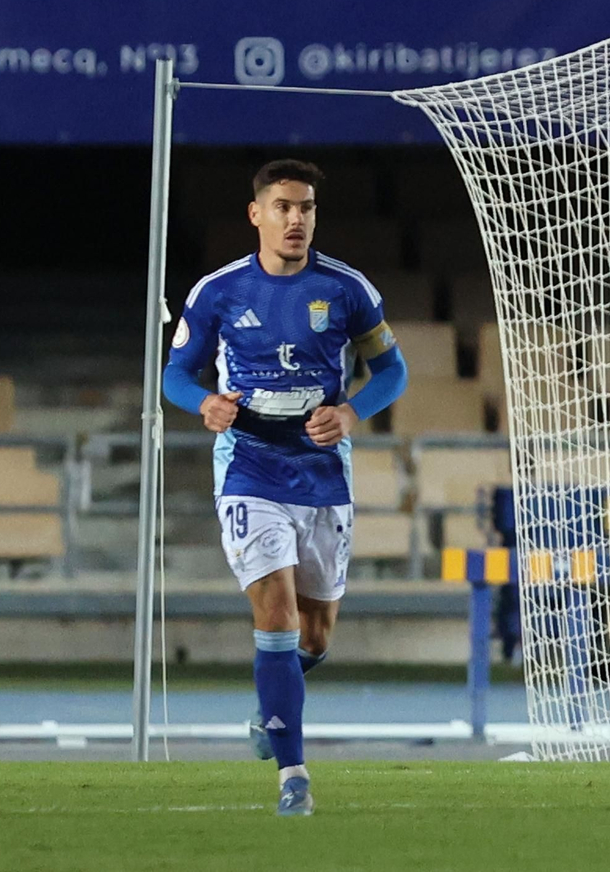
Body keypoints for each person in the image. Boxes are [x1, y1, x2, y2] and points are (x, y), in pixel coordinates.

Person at [162, 159, 409, 816]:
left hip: (323, 474)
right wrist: (202, 404)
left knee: (316, 637)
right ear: (257, 214)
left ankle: (274, 708)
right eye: (283, 207)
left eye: (306, 208)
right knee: (275, 614)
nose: (296, 218)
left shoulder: (348, 289)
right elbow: (176, 375)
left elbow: (393, 370)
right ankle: (293, 775)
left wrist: (353, 410)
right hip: (248, 467)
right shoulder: (218, 291)